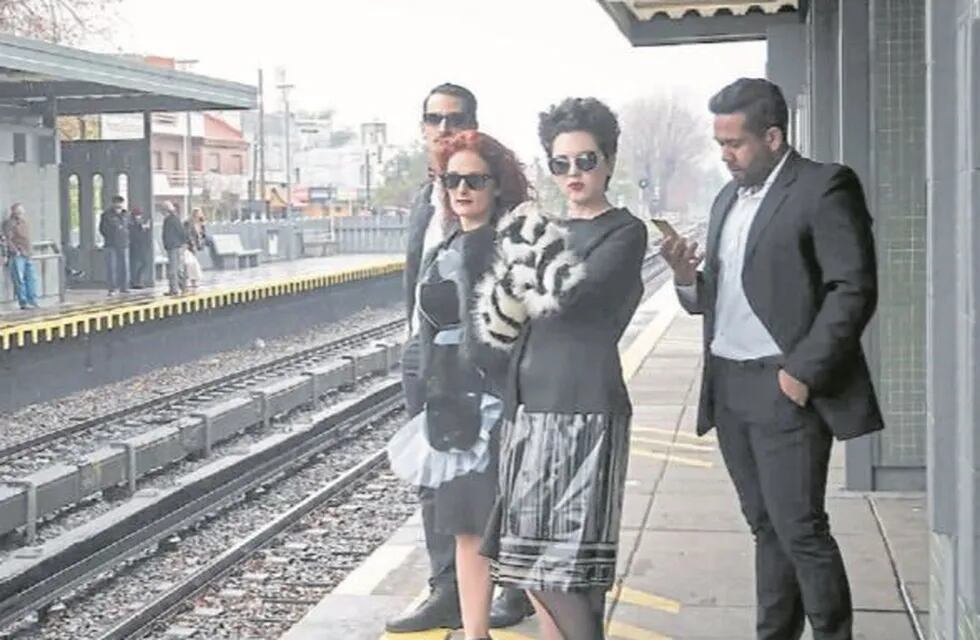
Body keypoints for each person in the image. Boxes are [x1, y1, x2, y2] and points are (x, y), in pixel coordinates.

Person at [660, 78, 883, 640]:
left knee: (800, 528)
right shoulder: (726, 199)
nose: (725, 155)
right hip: (730, 386)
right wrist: (688, 279)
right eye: (719, 144)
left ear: (774, 136)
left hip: (784, 388)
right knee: (765, 528)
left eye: (734, 143)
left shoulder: (824, 186)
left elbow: (852, 287)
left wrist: (801, 373)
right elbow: (726, 292)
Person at [476, 97, 647, 640]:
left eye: (586, 160)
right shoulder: (542, 232)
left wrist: (530, 245)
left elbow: (571, 293)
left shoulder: (624, 232)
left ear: (610, 161)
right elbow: (499, 324)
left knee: (568, 574)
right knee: (534, 567)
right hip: (528, 408)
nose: (573, 174)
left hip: (585, 410)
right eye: (560, 163)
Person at [387, 82, 534, 634]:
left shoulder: (494, 231)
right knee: (440, 483)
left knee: (489, 489)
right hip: (426, 353)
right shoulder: (423, 206)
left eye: (455, 118)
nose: (442, 128)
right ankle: (447, 588)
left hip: (478, 375)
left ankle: (509, 590)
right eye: (433, 118)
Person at [1, 204, 39, 309]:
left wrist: (30, 251)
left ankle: (33, 300)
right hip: (18, 254)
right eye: (20, 212)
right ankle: (24, 301)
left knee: (31, 278)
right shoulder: (9, 224)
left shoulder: (24, 223)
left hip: (27, 253)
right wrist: (15, 251)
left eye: (22, 212)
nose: (22, 214)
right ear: (14, 212)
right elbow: (7, 239)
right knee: (19, 279)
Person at [99, 195, 131, 296]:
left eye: (120, 203)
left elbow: (129, 227)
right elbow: (102, 229)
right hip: (110, 244)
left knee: (124, 266)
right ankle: (111, 288)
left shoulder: (126, 214)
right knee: (111, 267)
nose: (119, 206)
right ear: (113, 204)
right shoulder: (106, 215)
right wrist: (111, 235)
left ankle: (124, 287)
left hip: (123, 243)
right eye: (117, 203)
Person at [161, 201, 187, 296]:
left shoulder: (172, 219)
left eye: (162, 209)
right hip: (174, 246)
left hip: (174, 246)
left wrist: (183, 242)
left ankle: (174, 289)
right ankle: (182, 287)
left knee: (173, 269)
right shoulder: (172, 218)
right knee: (177, 268)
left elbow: (181, 231)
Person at [129, 206, 152, 289]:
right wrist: (141, 228)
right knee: (136, 264)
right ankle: (135, 282)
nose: (139, 216)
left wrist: (145, 228)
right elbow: (133, 234)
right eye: (138, 215)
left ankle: (139, 281)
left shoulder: (141, 222)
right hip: (135, 246)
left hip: (143, 246)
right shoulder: (131, 223)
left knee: (144, 263)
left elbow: (145, 234)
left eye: (140, 215)